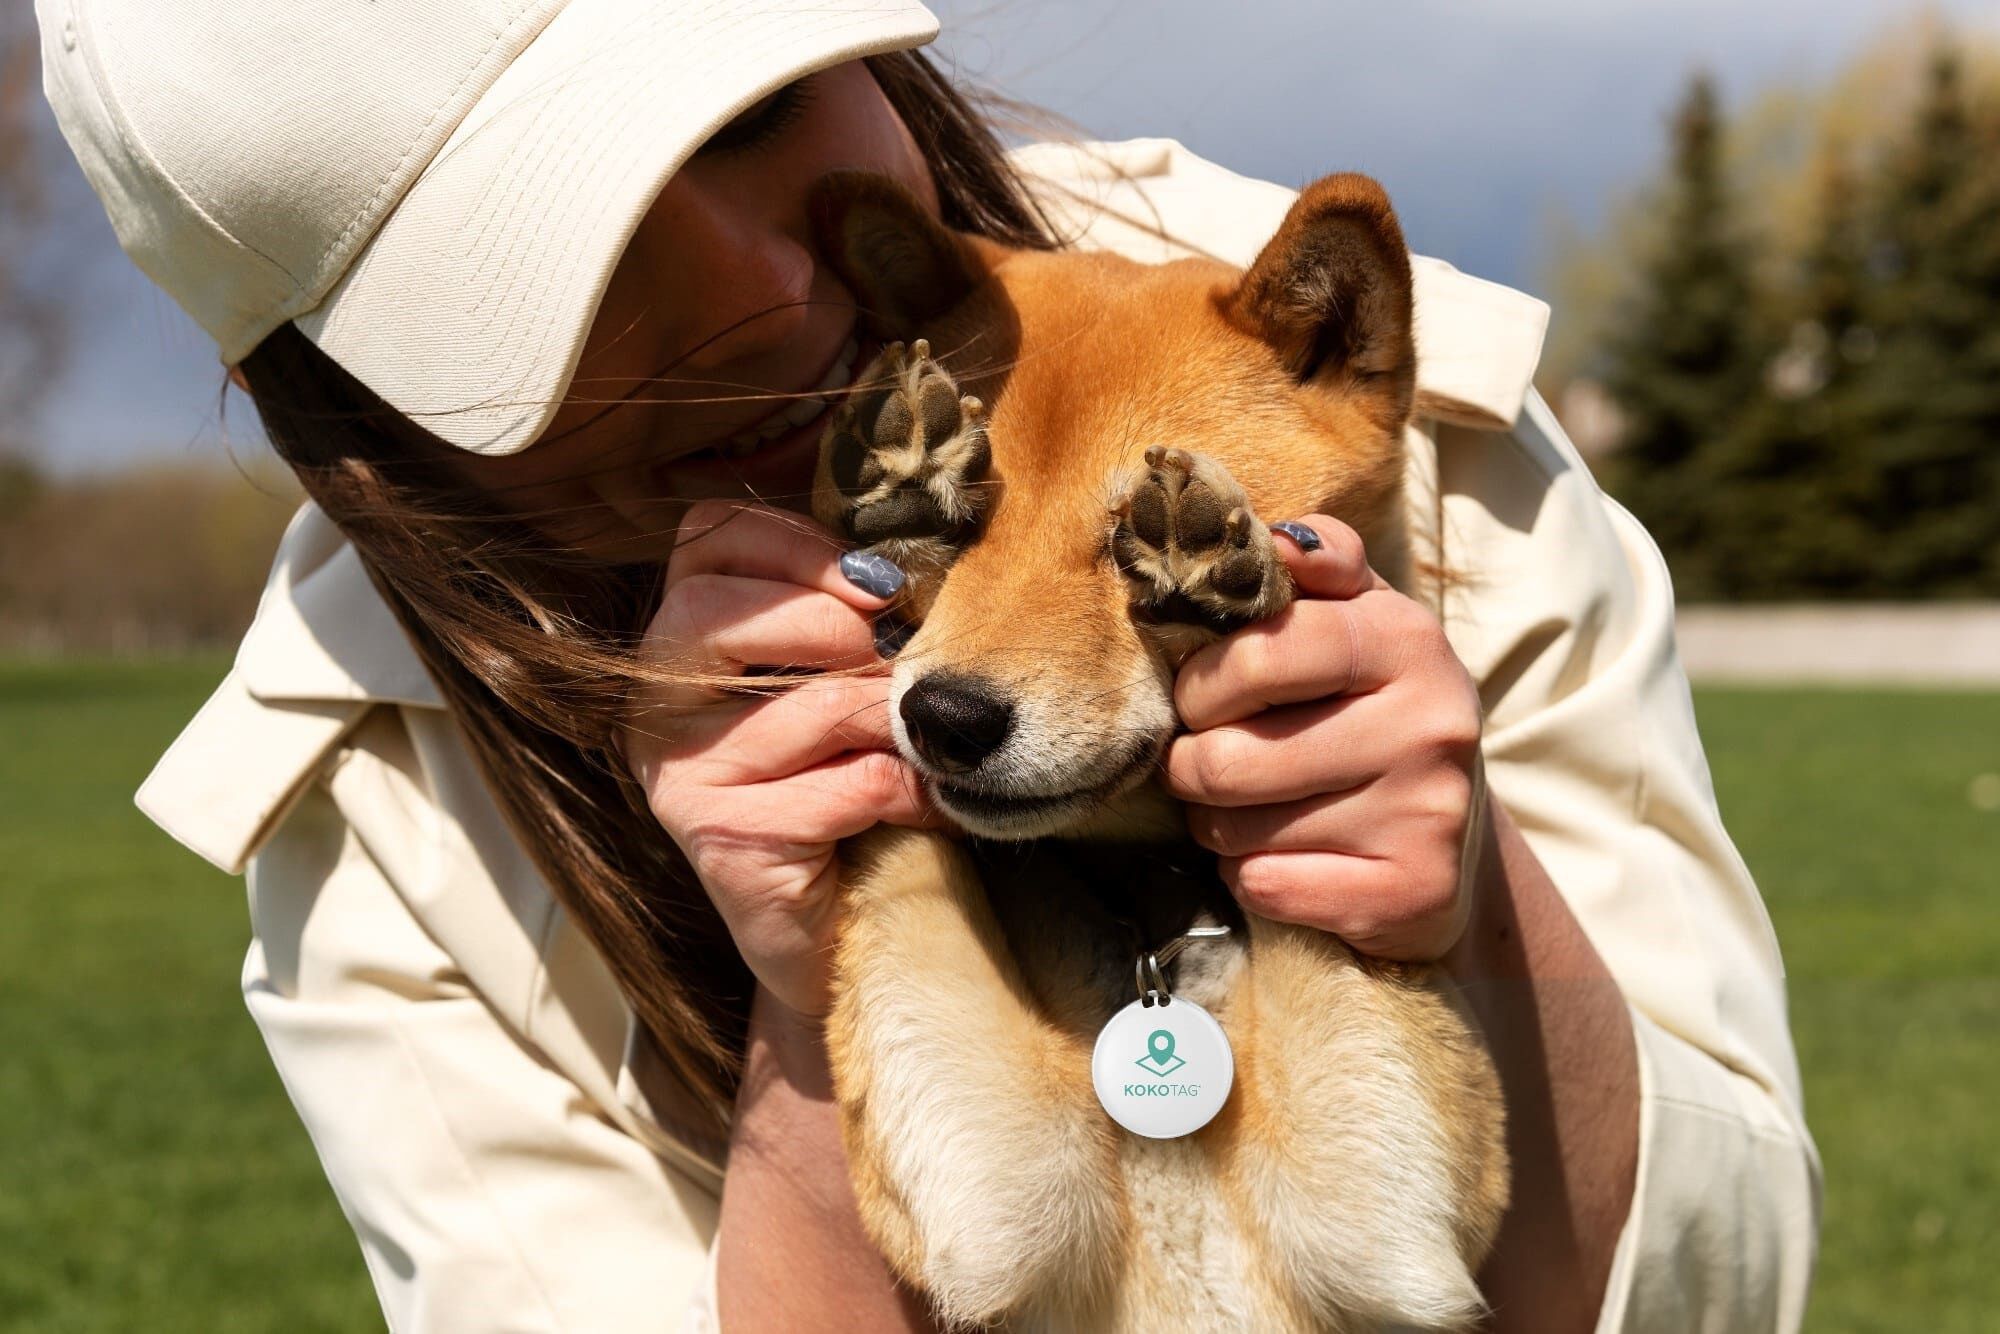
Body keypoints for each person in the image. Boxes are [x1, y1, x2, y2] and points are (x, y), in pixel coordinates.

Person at [40, 1, 1820, 1329]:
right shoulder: (370, 811)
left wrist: (1478, 905)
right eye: (560, 285)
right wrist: (817, 1017)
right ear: (345, 418)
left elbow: (1725, 1291)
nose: (777, 289)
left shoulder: (1388, 426)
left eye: (747, 121)